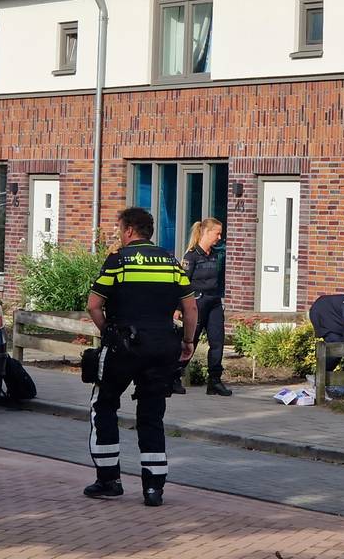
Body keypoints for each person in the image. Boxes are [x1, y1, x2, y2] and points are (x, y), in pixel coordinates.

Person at [84, 207, 198, 507]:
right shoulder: (172, 263)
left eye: (119, 229)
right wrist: (188, 341)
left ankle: (109, 479)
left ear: (130, 231)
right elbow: (190, 309)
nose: (118, 235)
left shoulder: (118, 260)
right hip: (163, 347)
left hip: (124, 346)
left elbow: (94, 304)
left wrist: (108, 331)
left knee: (103, 404)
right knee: (151, 414)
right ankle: (153, 488)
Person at [176, 218, 231, 396]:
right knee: (190, 341)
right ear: (206, 233)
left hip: (214, 302)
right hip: (196, 303)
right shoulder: (191, 256)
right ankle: (174, 377)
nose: (219, 237)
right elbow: (182, 284)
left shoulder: (216, 254)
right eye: (217, 233)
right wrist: (178, 308)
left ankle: (214, 381)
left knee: (217, 342)